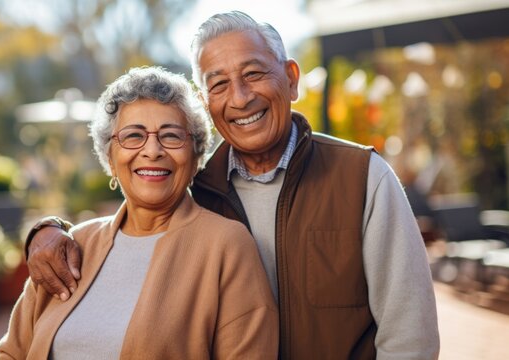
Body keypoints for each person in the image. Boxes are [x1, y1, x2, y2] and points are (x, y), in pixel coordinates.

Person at [24, 11, 440, 359]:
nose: (240, 98)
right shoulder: (198, 189)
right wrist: (48, 230)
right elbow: (139, 212)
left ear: (291, 78)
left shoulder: (360, 177)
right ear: (206, 103)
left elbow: (410, 336)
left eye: (254, 73)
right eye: (219, 83)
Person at [0, 66, 278, 359]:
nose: (153, 150)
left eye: (171, 136)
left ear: (195, 156)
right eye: (133, 136)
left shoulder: (227, 246)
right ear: (109, 155)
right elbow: (12, 352)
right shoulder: (70, 245)